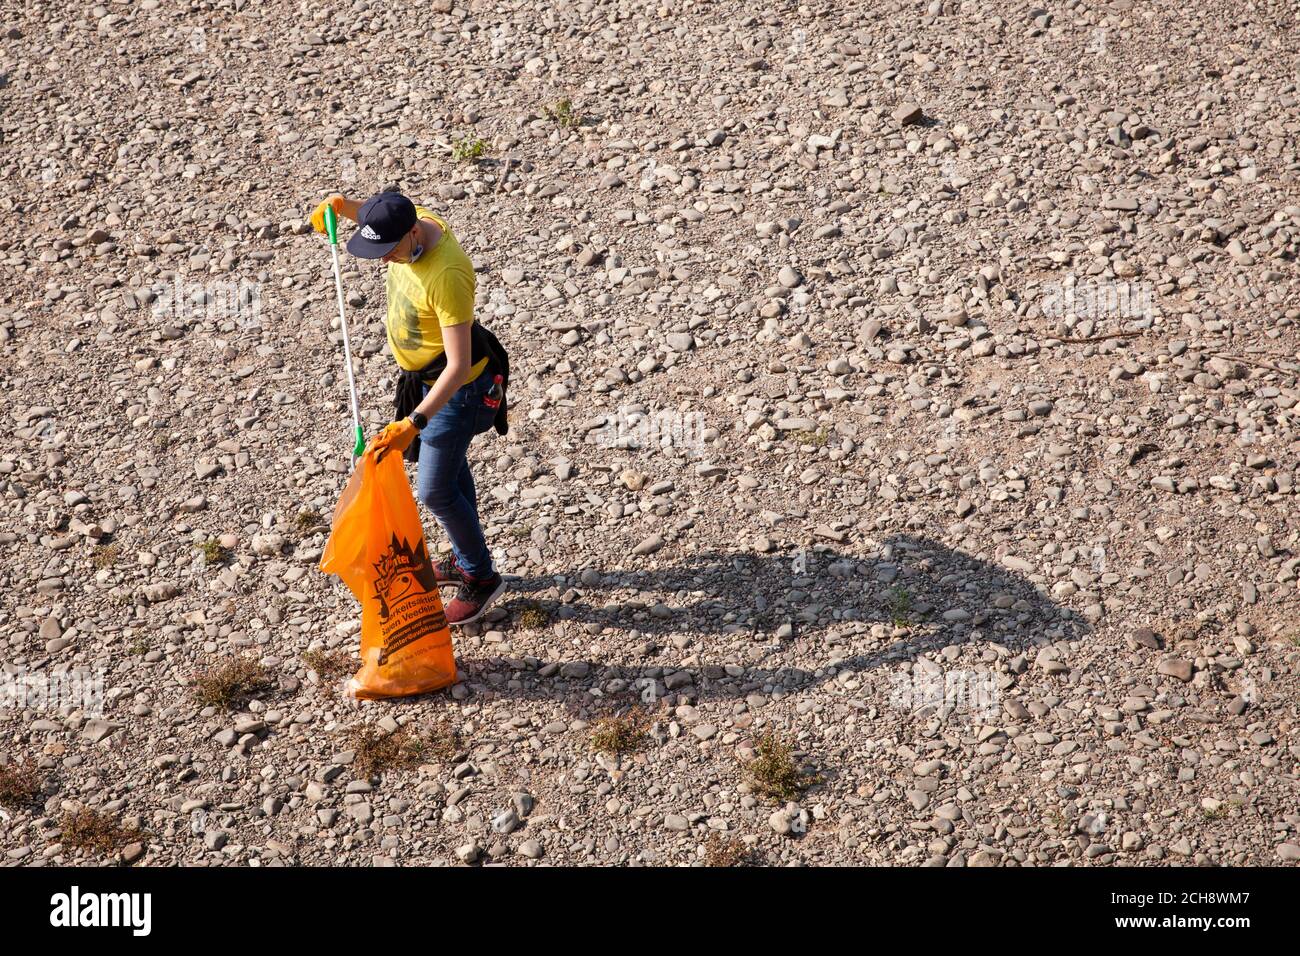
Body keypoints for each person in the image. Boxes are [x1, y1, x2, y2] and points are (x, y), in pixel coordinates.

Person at [310, 190, 507, 625]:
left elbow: (457, 367)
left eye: (388, 251)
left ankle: (481, 578)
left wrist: (414, 423)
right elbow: (374, 214)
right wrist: (340, 209)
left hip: (457, 391)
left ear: (413, 234)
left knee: (435, 490)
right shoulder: (409, 221)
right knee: (452, 474)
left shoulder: (447, 275)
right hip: (424, 382)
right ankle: (464, 557)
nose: (383, 261)